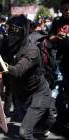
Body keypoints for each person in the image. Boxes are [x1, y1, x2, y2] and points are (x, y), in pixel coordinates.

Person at [0, 15, 55, 140]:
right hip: (21, 96)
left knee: (25, 132)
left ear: (23, 32)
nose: (11, 34)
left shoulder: (32, 50)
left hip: (38, 94)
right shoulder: (8, 46)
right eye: (9, 29)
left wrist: (0, 63)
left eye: (15, 30)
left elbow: (17, 71)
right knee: (39, 126)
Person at [49, 0, 69, 132]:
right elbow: (48, 38)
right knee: (58, 89)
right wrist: (56, 37)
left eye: (68, 9)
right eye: (64, 9)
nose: (67, 12)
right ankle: (62, 116)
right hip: (60, 62)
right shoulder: (57, 22)